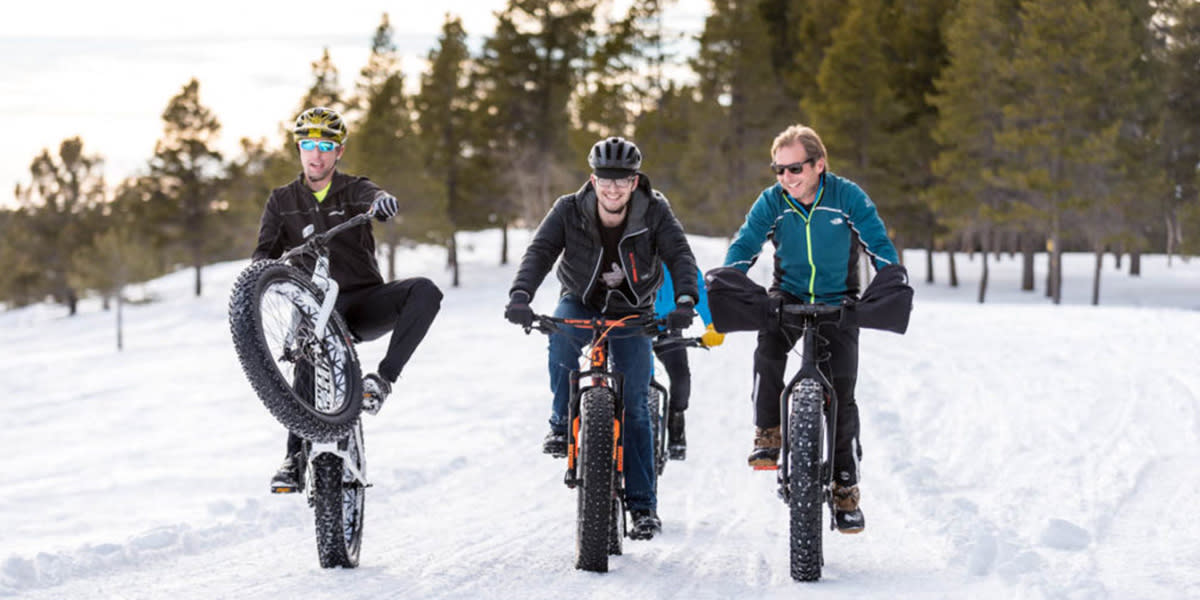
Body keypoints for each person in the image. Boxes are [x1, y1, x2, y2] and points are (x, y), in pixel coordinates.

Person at [504, 137, 699, 540]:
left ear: (634, 181)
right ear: (593, 179)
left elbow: (680, 255)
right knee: (560, 338)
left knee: (636, 406)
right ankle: (561, 422)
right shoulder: (568, 209)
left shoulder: (655, 210)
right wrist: (520, 295)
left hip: (633, 310)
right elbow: (540, 252)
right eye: (605, 180)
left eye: (622, 181)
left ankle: (643, 507)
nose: (613, 189)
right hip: (581, 299)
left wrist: (684, 300)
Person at [722, 124, 903, 534]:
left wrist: (890, 280)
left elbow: (878, 243)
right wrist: (730, 277)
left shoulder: (847, 197)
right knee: (768, 351)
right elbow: (746, 243)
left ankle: (845, 488)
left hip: (838, 301)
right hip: (787, 295)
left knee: (842, 392)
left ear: (819, 165)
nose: (786, 177)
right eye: (778, 170)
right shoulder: (773, 202)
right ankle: (768, 432)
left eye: (794, 168)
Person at [253, 106, 443, 493]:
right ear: (299, 149)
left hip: (361, 303)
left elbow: (374, 197)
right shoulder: (282, 200)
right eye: (308, 145)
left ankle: (382, 381)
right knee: (307, 352)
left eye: (325, 146)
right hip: (312, 306)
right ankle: (294, 458)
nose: (316, 154)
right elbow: (263, 257)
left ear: (339, 151)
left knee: (426, 292)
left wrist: (382, 203)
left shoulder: (353, 188)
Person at [652, 265, 724, 460]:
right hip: (631, 326)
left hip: (667, 327)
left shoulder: (675, 255)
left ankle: (676, 422)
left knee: (681, 379)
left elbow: (697, 288)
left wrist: (712, 323)